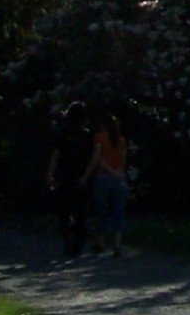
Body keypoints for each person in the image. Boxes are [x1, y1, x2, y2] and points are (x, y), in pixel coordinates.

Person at [46, 101, 97, 258]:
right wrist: (87, 176)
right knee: (80, 212)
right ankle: (77, 243)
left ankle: (68, 236)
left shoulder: (62, 134)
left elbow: (56, 156)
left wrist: (50, 174)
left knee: (64, 210)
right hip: (81, 176)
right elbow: (92, 159)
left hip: (65, 176)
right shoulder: (87, 136)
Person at [90, 109, 130, 257]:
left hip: (104, 177)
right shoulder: (121, 140)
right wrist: (119, 173)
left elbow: (98, 158)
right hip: (119, 179)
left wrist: (107, 170)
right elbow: (123, 161)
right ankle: (117, 243)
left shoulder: (100, 138)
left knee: (102, 210)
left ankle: (100, 241)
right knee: (118, 211)